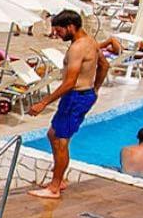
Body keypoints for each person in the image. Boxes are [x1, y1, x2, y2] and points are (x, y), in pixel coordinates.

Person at [25, 11, 104, 200]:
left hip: (75, 97)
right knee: (53, 135)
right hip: (81, 95)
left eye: (59, 30)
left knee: (61, 141)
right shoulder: (91, 42)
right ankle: (58, 180)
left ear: (70, 27)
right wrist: (95, 88)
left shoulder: (77, 48)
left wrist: (43, 103)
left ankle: (54, 188)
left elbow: (69, 82)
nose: (56, 34)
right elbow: (104, 65)